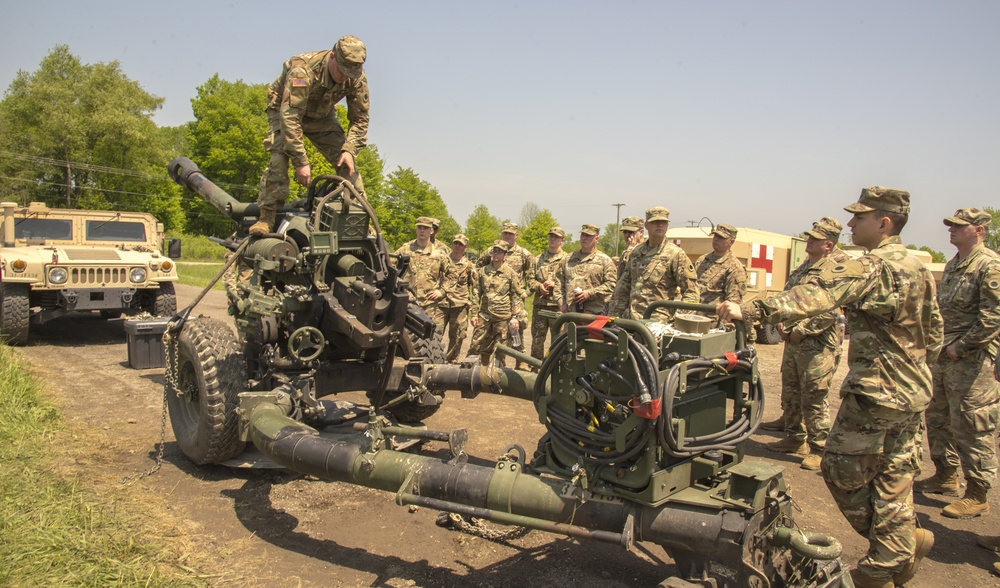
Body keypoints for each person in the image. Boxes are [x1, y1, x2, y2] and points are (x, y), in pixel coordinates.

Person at [718, 187, 942, 588]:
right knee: (893, 472)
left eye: (860, 217)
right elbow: (935, 329)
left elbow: (817, 296)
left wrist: (749, 309)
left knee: (839, 469)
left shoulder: (873, 266)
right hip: (912, 387)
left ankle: (894, 549)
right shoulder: (917, 266)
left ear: (884, 223)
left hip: (879, 391)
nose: (852, 224)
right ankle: (892, 553)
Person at [916, 208, 1000, 519]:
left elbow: (993, 317)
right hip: (944, 356)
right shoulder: (954, 265)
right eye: (950, 225)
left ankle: (978, 492)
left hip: (972, 361)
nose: (951, 230)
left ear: (978, 230)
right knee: (937, 417)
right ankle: (946, 475)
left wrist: (960, 347)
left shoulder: (989, 265)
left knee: (971, 424)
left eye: (958, 226)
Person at [250, 35, 370, 236]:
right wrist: (301, 161)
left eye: (350, 72)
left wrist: (349, 149)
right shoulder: (303, 70)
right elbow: (290, 116)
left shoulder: (356, 78)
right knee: (279, 159)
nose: (344, 77)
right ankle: (266, 217)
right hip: (284, 110)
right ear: (332, 57)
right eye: (342, 70)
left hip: (321, 116)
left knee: (348, 167)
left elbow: (360, 119)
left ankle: (363, 224)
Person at [759, 217, 850, 471]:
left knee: (814, 395)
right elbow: (788, 296)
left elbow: (831, 310)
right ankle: (794, 437)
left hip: (818, 345)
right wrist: (781, 325)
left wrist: (800, 330)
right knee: (791, 390)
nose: (808, 241)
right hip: (793, 341)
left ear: (829, 245)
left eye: (815, 239)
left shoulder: (836, 268)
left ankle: (819, 447)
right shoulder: (804, 267)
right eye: (809, 236)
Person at [609, 207, 698, 322]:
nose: (660, 225)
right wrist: (615, 316)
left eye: (663, 222)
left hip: (658, 324)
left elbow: (692, 293)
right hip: (631, 320)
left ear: (667, 226)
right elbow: (624, 287)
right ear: (646, 226)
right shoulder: (636, 252)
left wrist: (678, 320)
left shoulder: (676, 254)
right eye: (655, 222)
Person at [476, 222, 534, 365]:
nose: (507, 236)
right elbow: (477, 268)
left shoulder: (524, 254)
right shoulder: (491, 251)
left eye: (510, 234)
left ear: (516, 235)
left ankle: (521, 364)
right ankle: (488, 366)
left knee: (516, 331)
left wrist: (526, 292)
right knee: (490, 336)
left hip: (514, 298)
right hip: (492, 298)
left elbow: (532, 276)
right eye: (505, 233)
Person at [468, 240, 525, 366]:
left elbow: (515, 297)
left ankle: (497, 378)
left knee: (500, 351)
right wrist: (473, 314)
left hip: (503, 317)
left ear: (505, 255)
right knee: (475, 345)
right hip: (485, 315)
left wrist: (515, 317)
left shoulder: (511, 273)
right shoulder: (483, 272)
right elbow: (476, 293)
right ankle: (473, 376)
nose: (496, 254)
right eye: (494, 251)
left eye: (500, 252)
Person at [393, 217, 446, 333]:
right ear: (416, 229)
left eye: (425, 228)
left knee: (429, 338)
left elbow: (452, 275)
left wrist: (441, 291)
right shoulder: (405, 250)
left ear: (431, 231)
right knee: (406, 337)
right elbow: (388, 266)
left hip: (429, 304)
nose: (422, 231)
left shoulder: (439, 254)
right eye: (419, 227)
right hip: (408, 302)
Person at [554, 224, 617, 315]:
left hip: (594, 315)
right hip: (570, 314)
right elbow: (558, 283)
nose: (584, 238)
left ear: (596, 238)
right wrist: (561, 303)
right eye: (582, 235)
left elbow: (611, 285)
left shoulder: (605, 261)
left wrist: (590, 293)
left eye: (588, 236)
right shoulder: (568, 259)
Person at [529, 227, 569, 362]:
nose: (552, 239)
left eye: (556, 237)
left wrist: (555, 285)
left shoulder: (568, 259)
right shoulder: (538, 259)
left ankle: (557, 370)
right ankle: (535, 369)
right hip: (540, 306)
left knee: (559, 341)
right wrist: (538, 286)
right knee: (537, 341)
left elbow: (571, 282)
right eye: (551, 236)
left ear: (562, 240)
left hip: (558, 307)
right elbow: (529, 280)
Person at [440, 233, 474, 362]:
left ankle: (451, 361)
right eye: (455, 243)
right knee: (435, 334)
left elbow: (474, 286)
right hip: (441, 304)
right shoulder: (442, 260)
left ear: (466, 247)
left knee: (458, 336)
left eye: (461, 244)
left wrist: (471, 302)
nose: (457, 246)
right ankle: (433, 359)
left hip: (459, 306)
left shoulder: (469, 265)